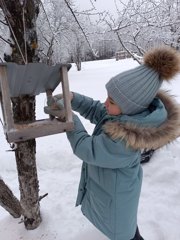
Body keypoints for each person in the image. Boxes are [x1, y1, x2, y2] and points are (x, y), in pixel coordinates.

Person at [47, 46, 180, 240]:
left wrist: (70, 120)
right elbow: (98, 111)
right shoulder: (125, 116)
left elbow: (88, 149)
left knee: (126, 235)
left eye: (112, 101)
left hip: (116, 203)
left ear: (130, 108)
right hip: (113, 195)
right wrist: (73, 99)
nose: (106, 103)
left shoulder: (125, 140)